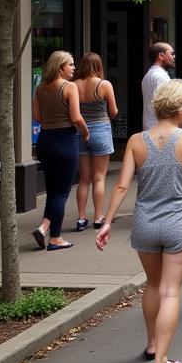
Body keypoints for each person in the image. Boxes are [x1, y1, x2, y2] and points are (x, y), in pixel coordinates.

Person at [96, 79, 182, 363]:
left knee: (152, 285)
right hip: (179, 222)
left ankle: (150, 344)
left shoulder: (136, 140)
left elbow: (122, 185)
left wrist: (107, 222)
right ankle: (161, 361)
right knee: (170, 291)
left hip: (145, 223)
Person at [31, 51, 89, 251]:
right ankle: (53, 235)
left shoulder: (40, 89)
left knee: (52, 191)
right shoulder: (69, 87)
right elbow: (76, 117)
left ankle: (46, 230)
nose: (74, 68)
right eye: (70, 65)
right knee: (62, 192)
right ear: (59, 67)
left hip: (45, 141)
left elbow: (37, 117)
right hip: (66, 140)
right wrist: (85, 132)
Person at [74, 52, 118, 231]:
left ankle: (81, 217)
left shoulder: (73, 85)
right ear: (99, 66)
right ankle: (98, 216)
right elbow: (113, 111)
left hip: (80, 132)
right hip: (101, 130)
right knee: (99, 177)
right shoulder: (104, 84)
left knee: (84, 178)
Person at [141, 42, 175, 131]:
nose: (174, 57)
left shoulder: (149, 75)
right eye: (171, 54)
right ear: (161, 56)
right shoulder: (161, 76)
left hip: (150, 126)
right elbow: (167, 104)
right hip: (160, 129)